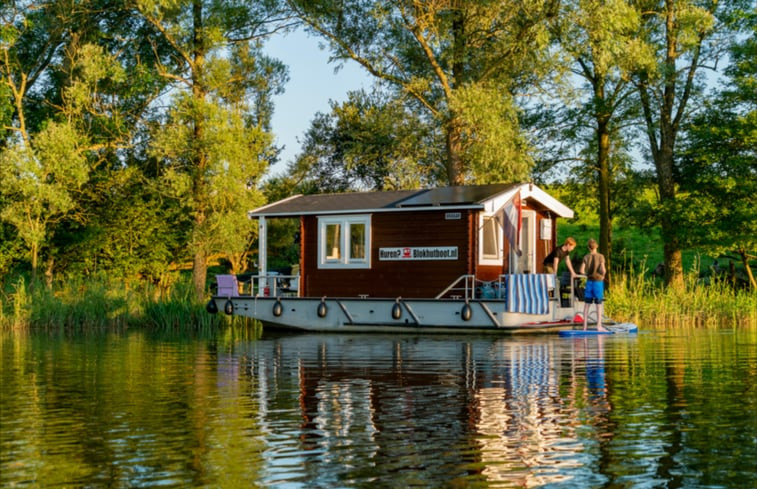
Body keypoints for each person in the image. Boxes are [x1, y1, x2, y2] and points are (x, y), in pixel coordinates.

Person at [579, 238, 608, 331]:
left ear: (588, 247)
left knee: (587, 304)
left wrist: (586, 274)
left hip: (589, 282)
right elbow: (603, 269)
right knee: (598, 305)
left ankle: (584, 327)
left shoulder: (586, 257)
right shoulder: (601, 256)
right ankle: (598, 326)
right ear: (597, 246)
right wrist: (603, 275)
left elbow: (581, 270)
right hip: (598, 282)